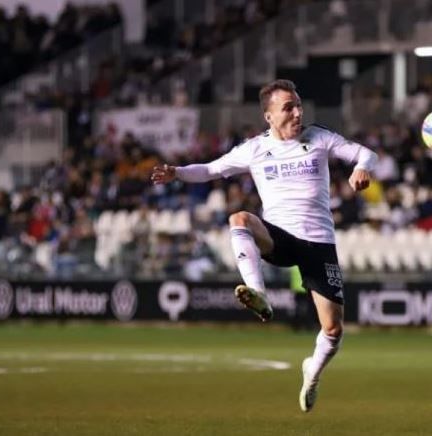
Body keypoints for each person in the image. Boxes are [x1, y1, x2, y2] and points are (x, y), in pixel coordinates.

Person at [151, 79, 377, 413]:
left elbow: (365, 152)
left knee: (333, 329)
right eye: (289, 107)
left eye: (299, 105)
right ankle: (258, 293)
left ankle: (311, 372)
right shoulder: (255, 148)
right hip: (278, 237)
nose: (298, 112)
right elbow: (212, 169)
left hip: (317, 242)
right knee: (239, 219)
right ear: (269, 116)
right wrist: (177, 173)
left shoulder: (318, 137)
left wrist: (361, 169)